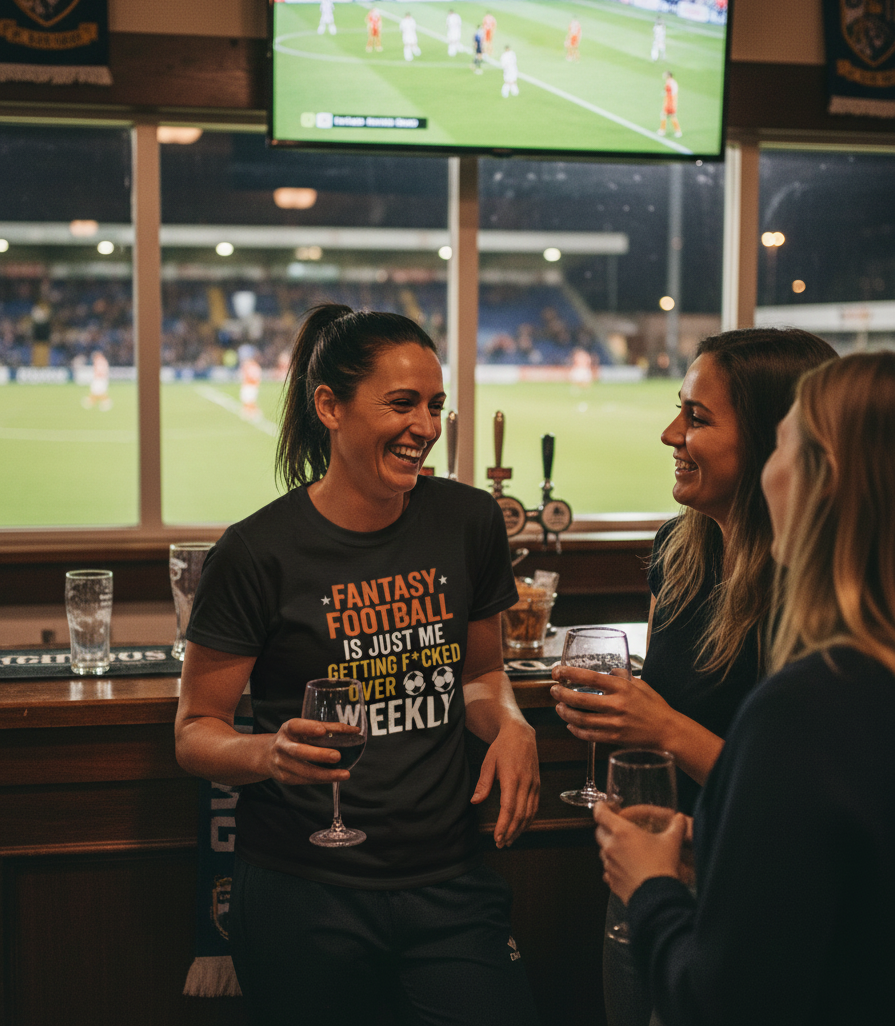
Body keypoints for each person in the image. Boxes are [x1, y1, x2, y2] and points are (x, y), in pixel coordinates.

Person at [175, 305, 541, 1026]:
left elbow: (480, 674)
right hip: (301, 888)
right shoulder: (255, 552)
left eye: (434, 405)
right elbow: (195, 731)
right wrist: (268, 753)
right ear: (329, 406)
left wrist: (511, 724)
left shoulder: (467, 522)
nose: (426, 427)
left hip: (448, 880)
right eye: (402, 404)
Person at [595, 350, 895, 1026]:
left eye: (788, 443)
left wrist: (648, 885)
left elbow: (720, 1001)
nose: (670, 434)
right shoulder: (681, 552)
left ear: (819, 476)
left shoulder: (812, 699)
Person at [549, 327, 837, 1026]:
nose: (669, 432)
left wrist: (664, 729)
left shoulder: (824, 599)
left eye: (697, 417)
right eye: (679, 408)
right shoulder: (676, 548)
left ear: (777, 440)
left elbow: (808, 803)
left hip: (751, 894)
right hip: (651, 874)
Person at [658, 70, 681, 137]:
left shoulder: (669, 82)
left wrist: (665, 92)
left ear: (668, 75)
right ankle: (677, 131)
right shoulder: (673, 82)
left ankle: (662, 130)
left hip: (669, 102)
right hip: (672, 101)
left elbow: (668, 91)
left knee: (665, 115)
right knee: (670, 116)